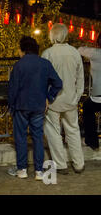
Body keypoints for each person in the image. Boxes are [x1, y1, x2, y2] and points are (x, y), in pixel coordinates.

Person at [7, 37, 62, 180]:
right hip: (38, 105)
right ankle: (39, 171)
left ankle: (22, 169)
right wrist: (48, 98)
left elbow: (13, 89)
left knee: (21, 137)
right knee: (37, 137)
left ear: (23, 49)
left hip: (21, 106)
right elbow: (58, 83)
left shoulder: (19, 65)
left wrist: (11, 107)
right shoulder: (45, 64)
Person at [42, 23, 85, 174]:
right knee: (73, 130)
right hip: (71, 98)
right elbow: (80, 78)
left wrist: (45, 98)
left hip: (53, 99)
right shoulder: (74, 52)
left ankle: (60, 164)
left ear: (52, 35)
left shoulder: (47, 53)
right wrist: (77, 96)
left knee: (53, 131)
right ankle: (78, 163)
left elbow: (44, 80)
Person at [78, 34, 101, 150]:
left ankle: (92, 141)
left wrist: (91, 46)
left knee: (87, 107)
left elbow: (80, 49)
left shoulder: (94, 53)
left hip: (98, 96)